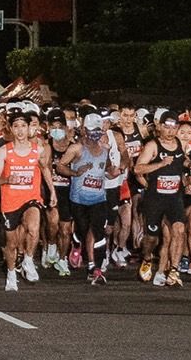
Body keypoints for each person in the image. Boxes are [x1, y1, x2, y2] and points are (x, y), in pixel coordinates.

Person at [57, 112, 124, 285]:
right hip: (78, 199)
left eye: (98, 130)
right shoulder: (77, 148)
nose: (96, 133)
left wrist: (114, 172)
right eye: (92, 130)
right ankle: (77, 243)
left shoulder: (105, 148)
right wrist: (75, 172)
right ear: (85, 130)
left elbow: (108, 169)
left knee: (97, 232)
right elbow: (60, 166)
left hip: (98, 198)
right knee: (83, 230)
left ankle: (96, 268)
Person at [0, 113, 51, 291]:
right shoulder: (4, 151)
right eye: (16, 126)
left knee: (33, 228)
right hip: (10, 201)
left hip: (31, 198)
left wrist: (53, 192)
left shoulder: (37, 150)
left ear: (29, 128)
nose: (20, 130)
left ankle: (28, 259)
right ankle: (11, 273)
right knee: (12, 244)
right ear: (10, 128)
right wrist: (7, 179)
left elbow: (45, 170)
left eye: (23, 126)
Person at [133, 112, 190, 288]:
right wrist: (160, 164)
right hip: (155, 199)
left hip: (174, 198)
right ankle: (147, 257)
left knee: (179, 230)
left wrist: (189, 168)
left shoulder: (180, 143)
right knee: (152, 238)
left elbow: (183, 163)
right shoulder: (153, 145)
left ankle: (173, 270)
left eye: (174, 128)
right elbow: (138, 169)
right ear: (160, 126)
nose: (170, 131)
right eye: (167, 127)